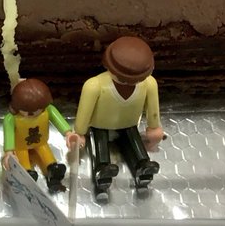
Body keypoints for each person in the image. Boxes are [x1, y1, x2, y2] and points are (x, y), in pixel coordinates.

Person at [66, 36, 165, 202]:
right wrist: (80, 132)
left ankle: (143, 167)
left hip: (129, 124)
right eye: (124, 77)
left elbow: (152, 108)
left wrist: (154, 127)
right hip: (99, 126)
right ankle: (102, 172)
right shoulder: (94, 86)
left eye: (136, 78)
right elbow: (85, 112)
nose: (129, 82)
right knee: (100, 146)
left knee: (134, 143)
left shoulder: (149, 84)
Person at [3, 78, 73, 192]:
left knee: (47, 156)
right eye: (27, 111)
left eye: (37, 110)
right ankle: (27, 173)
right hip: (21, 147)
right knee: (23, 159)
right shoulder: (12, 119)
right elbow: (9, 134)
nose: (32, 113)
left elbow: (58, 120)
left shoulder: (48, 110)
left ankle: (53, 170)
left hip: (41, 142)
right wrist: (9, 152)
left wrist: (68, 133)